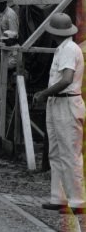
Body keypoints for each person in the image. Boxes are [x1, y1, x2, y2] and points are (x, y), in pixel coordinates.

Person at [31, 13, 84, 212]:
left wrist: (44, 93)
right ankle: (59, 197)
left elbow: (67, 79)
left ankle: (77, 201)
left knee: (69, 152)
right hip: (57, 102)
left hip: (67, 102)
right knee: (55, 151)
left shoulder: (69, 49)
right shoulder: (62, 49)